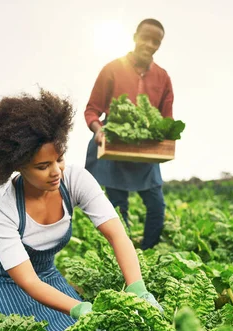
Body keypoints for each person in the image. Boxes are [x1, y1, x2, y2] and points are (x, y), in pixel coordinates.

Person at [0, 89, 160, 331]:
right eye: (42, 166)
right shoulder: (0, 205)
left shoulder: (74, 180)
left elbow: (117, 235)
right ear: (18, 165)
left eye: (59, 159)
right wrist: (81, 308)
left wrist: (137, 288)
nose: (56, 171)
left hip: (45, 274)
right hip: (2, 278)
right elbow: (28, 281)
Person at [84, 18, 173, 250]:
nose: (150, 44)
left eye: (156, 41)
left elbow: (167, 119)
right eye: (146, 38)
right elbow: (92, 109)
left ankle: (146, 253)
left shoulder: (162, 77)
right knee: (118, 206)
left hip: (146, 150)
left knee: (156, 205)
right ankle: (124, 254)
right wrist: (98, 129)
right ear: (135, 37)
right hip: (115, 146)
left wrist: (165, 136)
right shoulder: (112, 68)